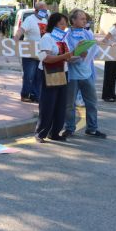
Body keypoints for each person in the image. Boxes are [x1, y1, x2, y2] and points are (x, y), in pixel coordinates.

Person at [62, 9, 107, 139]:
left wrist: (88, 53)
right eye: (81, 18)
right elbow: (65, 55)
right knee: (69, 104)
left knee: (91, 103)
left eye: (85, 19)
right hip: (72, 75)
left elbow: (94, 50)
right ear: (73, 20)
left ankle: (92, 129)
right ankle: (69, 128)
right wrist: (77, 54)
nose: (84, 21)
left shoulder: (88, 34)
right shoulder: (67, 34)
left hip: (86, 73)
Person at [35, 12, 73, 143]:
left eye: (65, 24)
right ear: (54, 24)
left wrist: (78, 54)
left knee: (60, 104)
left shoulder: (63, 38)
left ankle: (55, 132)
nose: (64, 26)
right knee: (48, 104)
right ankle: (40, 133)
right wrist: (65, 56)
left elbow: (66, 56)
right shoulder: (47, 37)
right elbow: (46, 58)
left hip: (63, 72)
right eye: (61, 23)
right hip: (49, 72)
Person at [13, 1, 49, 103]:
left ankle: (35, 95)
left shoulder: (45, 21)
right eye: (42, 10)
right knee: (29, 75)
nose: (44, 12)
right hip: (29, 51)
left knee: (39, 75)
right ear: (36, 10)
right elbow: (21, 30)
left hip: (41, 52)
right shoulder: (29, 20)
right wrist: (15, 39)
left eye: (45, 10)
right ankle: (25, 94)